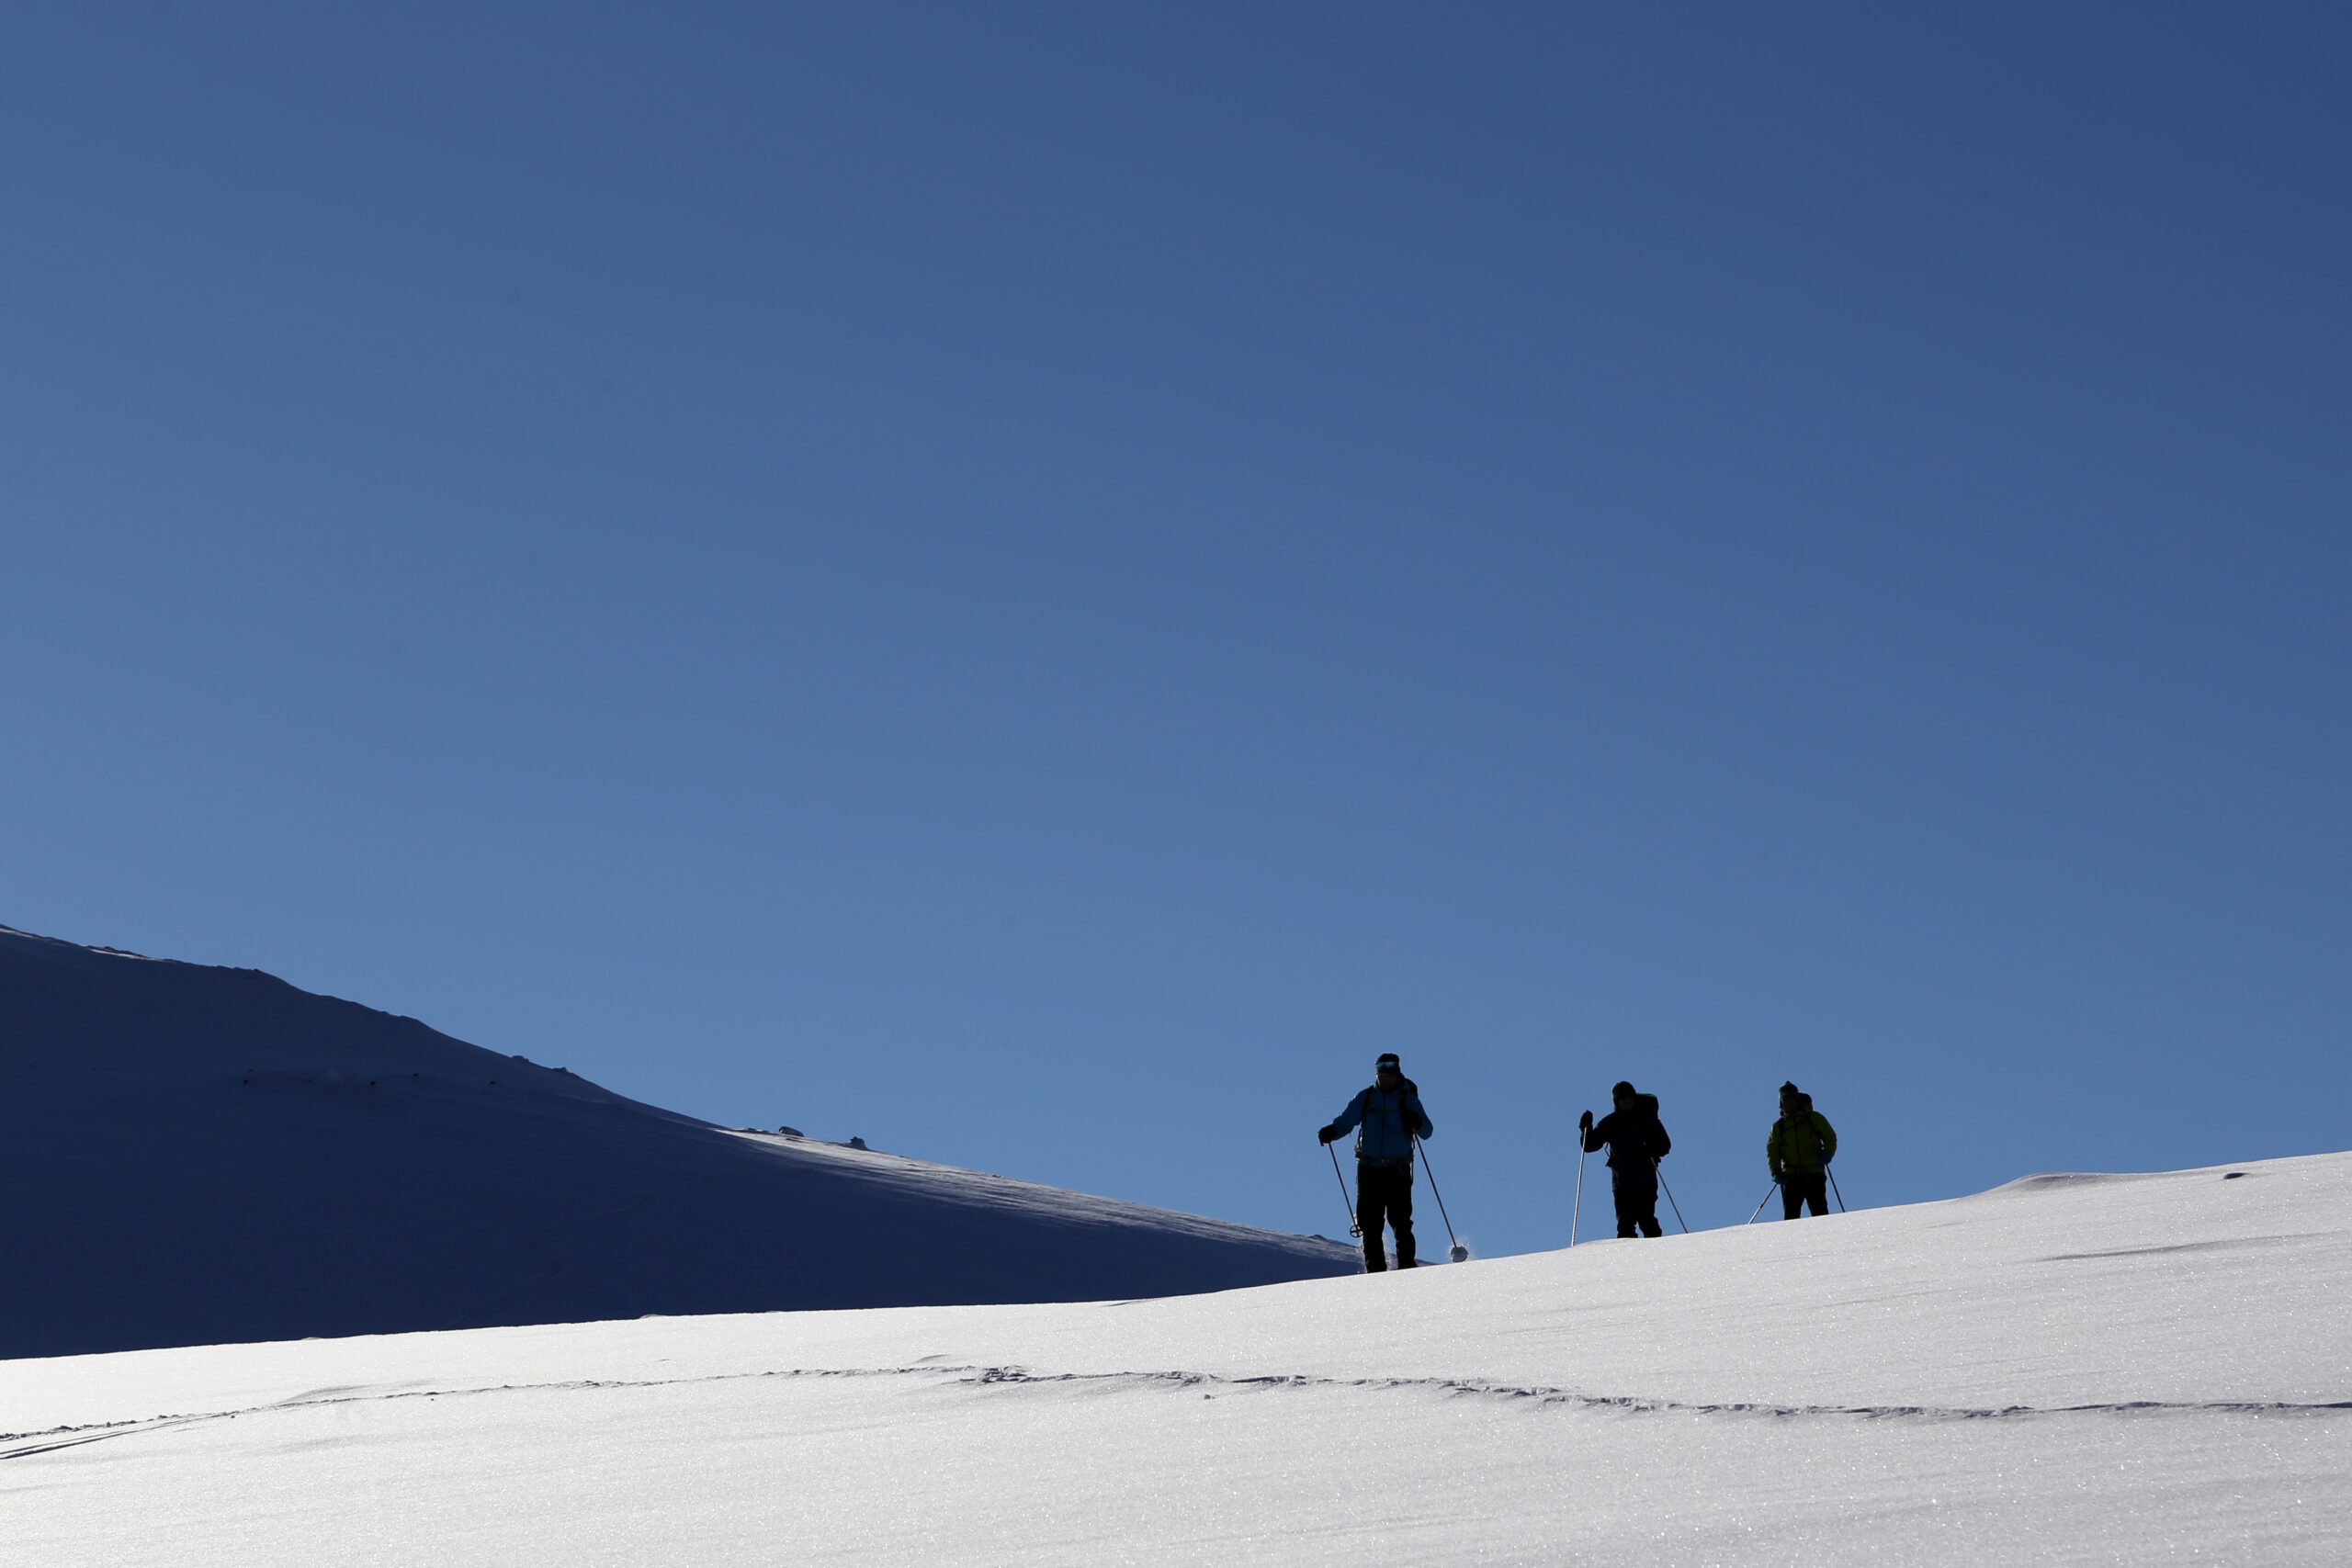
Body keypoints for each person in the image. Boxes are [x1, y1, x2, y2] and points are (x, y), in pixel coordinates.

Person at [1319, 1053, 1433, 1271]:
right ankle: (1376, 1274)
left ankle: (1407, 1268)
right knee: (1370, 1224)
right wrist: (1332, 1132)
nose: (1385, 1078)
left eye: (1389, 1074)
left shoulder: (1407, 1098)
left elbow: (1426, 1131)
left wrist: (1416, 1120)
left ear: (1397, 1073)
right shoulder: (1366, 1097)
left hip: (1396, 1169)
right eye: (1381, 1074)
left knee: (1400, 1222)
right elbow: (1347, 1120)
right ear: (1377, 1074)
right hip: (1370, 1169)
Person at [1579, 1081, 1670, 1238]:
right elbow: (1590, 1146)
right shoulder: (1611, 1122)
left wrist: (1652, 1148)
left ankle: (1655, 1254)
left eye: (1629, 1097)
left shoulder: (1646, 1119)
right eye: (1622, 1098)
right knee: (1626, 1223)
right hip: (1624, 1183)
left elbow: (1665, 1145)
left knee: (1645, 1219)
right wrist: (1585, 1129)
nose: (1626, 1100)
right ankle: (1632, 1258)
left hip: (1643, 1180)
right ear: (1617, 1101)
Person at [1768, 1081, 1838, 1218]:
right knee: (1791, 1217)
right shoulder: (1778, 1127)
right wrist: (1775, 1171)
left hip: (1814, 1173)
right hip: (1791, 1176)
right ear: (1781, 1103)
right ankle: (1792, 1239)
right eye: (1785, 1099)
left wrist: (1828, 1152)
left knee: (1820, 1214)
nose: (1788, 1103)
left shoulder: (1813, 1118)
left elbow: (1830, 1137)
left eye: (1791, 1099)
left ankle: (1824, 1238)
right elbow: (1773, 1150)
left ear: (1797, 1100)